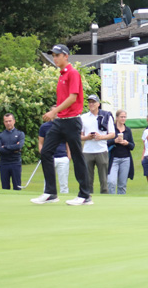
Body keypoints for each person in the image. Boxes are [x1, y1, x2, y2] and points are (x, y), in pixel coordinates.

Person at [32, 44, 93, 206]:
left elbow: (73, 98)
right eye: (53, 55)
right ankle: (51, 192)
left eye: (58, 55)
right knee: (46, 152)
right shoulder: (62, 74)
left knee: (77, 157)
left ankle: (85, 195)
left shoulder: (73, 73)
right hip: (60, 122)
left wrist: (53, 112)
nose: (55, 58)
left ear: (66, 56)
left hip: (72, 121)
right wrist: (57, 114)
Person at [80, 94, 115, 194]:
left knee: (103, 179)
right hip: (87, 150)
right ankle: (88, 196)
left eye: (93, 102)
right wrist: (87, 137)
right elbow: (80, 136)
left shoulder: (106, 116)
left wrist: (101, 137)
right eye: (90, 102)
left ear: (98, 104)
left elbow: (112, 134)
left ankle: (104, 197)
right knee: (88, 178)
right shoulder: (83, 117)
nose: (91, 104)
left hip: (101, 150)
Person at [0, 113, 25, 190]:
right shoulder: (0, 135)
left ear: (14, 121)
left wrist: (5, 147)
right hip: (4, 163)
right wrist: (14, 148)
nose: (8, 123)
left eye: (10, 121)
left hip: (16, 163)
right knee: (5, 187)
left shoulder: (20, 134)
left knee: (17, 187)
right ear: (4, 122)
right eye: (6, 121)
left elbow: (19, 146)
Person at [38, 120, 70, 194]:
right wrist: (43, 154)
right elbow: (40, 142)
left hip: (62, 157)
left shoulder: (64, 125)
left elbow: (67, 141)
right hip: (49, 157)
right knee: (48, 181)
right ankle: (47, 195)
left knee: (64, 182)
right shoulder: (44, 126)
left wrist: (68, 154)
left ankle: (64, 196)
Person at [107, 110, 135, 194]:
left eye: (124, 117)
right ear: (117, 118)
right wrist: (114, 141)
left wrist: (126, 143)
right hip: (114, 158)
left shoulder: (128, 130)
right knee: (111, 182)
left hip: (125, 159)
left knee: (122, 185)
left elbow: (132, 146)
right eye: (121, 117)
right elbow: (106, 143)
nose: (123, 119)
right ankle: (111, 200)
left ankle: (121, 202)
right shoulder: (112, 129)